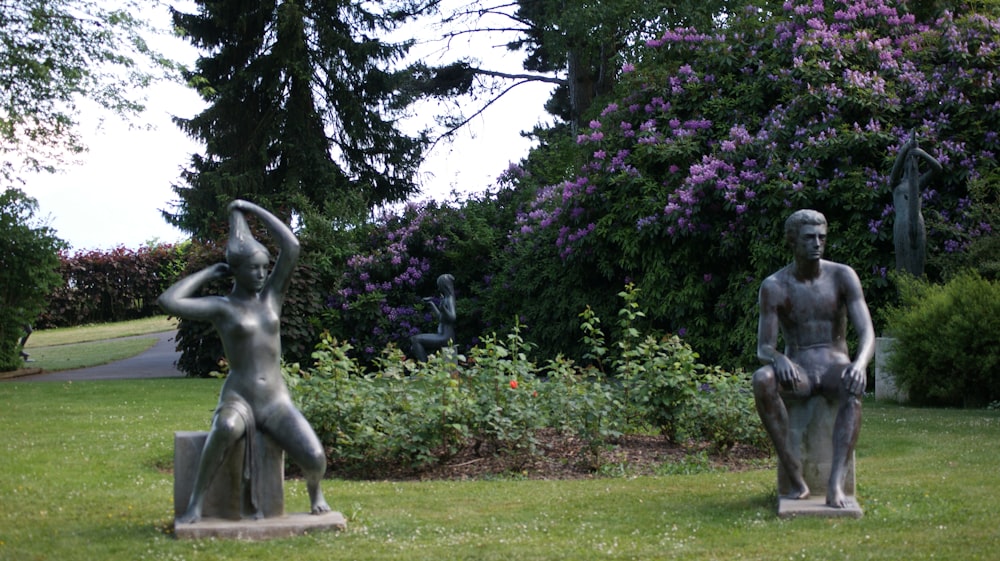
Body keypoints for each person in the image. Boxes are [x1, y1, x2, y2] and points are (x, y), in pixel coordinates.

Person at [158, 199, 329, 524]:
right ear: (236, 270)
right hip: (240, 398)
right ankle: (196, 501)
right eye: (254, 268)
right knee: (224, 428)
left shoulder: (271, 298)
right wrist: (209, 272)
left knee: (315, 457)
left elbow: (291, 245)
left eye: (265, 267)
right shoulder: (222, 308)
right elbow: (169, 301)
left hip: (276, 401)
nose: (263, 273)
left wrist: (247, 208)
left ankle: (315, 493)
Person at [751, 209, 875, 508]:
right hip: (800, 370)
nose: (817, 243)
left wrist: (859, 365)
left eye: (821, 237)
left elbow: (867, 333)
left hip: (835, 366)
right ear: (792, 241)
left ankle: (835, 483)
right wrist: (778, 358)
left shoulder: (842, 276)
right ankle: (795, 475)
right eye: (809, 238)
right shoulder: (775, 285)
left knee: (853, 384)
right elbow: (763, 347)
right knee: (762, 380)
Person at [888, 132, 942, 277]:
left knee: (917, 262)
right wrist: (906, 148)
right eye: (908, 160)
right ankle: (904, 295)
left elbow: (937, 169)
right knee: (903, 263)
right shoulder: (896, 184)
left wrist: (921, 153)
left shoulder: (919, 184)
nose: (911, 163)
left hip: (917, 224)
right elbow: (895, 171)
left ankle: (918, 294)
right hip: (901, 225)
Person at [409, 274, 457, 361]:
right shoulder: (446, 298)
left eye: (440, 286)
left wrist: (443, 309)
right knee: (414, 346)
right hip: (442, 335)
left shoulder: (449, 299)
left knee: (415, 340)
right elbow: (440, 318)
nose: (439, 289)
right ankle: (426, 366)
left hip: (446, 337)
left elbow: (453, 317)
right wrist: (432, 304)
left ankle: (425, 368)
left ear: (444, 286)